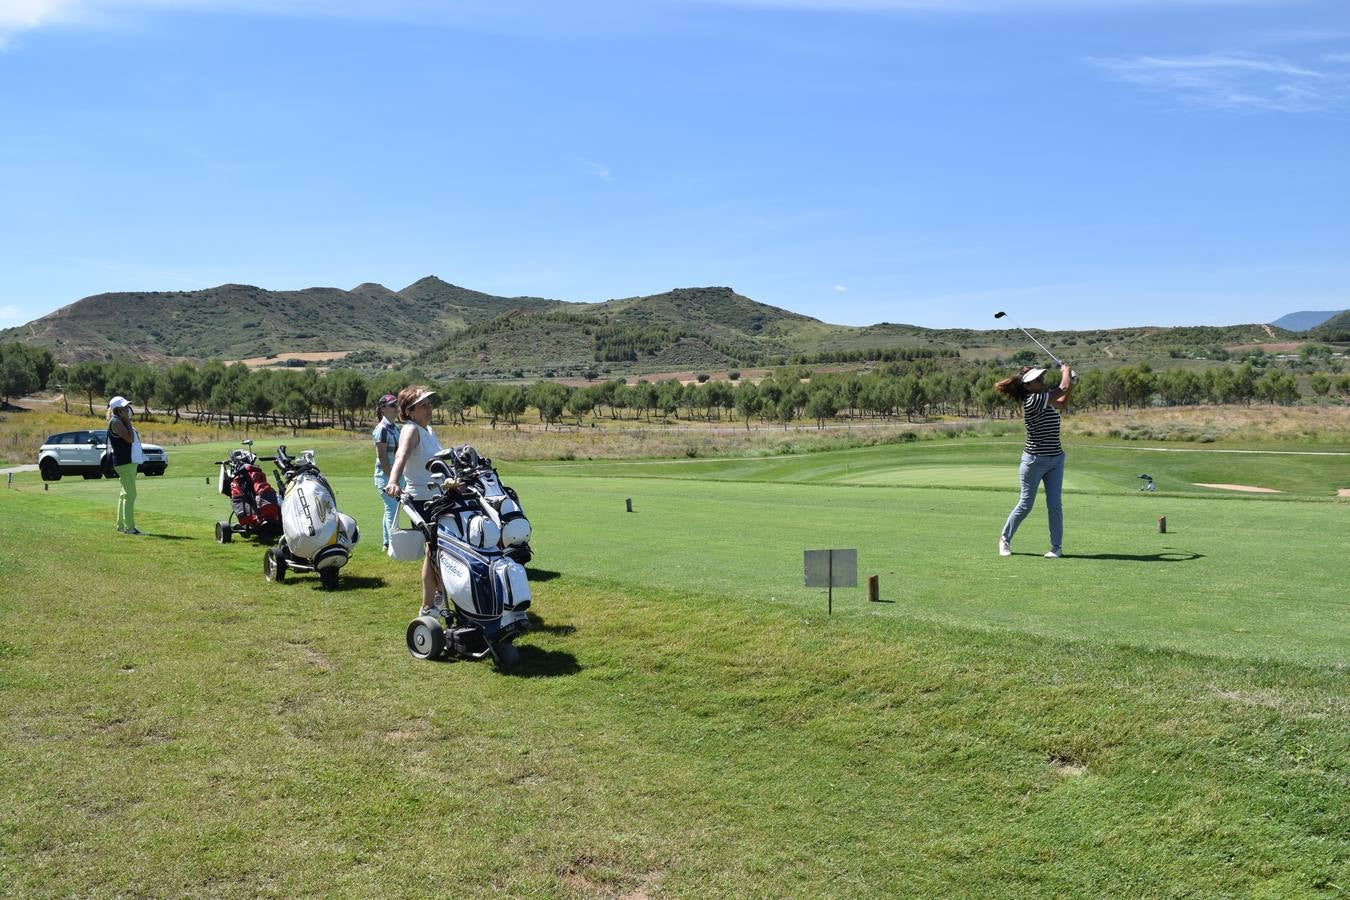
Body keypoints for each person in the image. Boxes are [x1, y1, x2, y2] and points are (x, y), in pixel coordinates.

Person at [995, 363, 1073, 558]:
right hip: (1034, 461)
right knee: (1026, 504)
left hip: (1056, 459)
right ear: (1028, 386)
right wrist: (1066, 373)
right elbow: (1061, 389)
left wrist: (1071, 382)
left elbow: (1062, 402)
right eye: (1037, 380)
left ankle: (1057, 547)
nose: (1042, 381)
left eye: (1041, 378)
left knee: (1055, 505)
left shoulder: (1044, 399)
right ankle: (1004, 538)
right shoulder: (1034, 401)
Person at [383, 385, 445, 617]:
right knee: (433, 551)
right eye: (423, 405)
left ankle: (440, 594)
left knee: (440, 550)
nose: (429, 408)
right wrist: (393, 480)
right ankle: (428, 605)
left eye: (430, 404)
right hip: (422, 500)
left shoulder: (427, 429)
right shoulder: (411, 430)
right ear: (409, 411)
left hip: (437, 496)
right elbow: (401, 456)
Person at [106, 395, 146, 535]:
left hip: (125, 462)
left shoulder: (118, 420)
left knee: (124, 494)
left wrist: (126, 420)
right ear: (118, 410)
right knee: (130, 494)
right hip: (125, 462)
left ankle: (121, 525)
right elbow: (130, 438)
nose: (127, 408)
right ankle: (130, 528)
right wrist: (127, 420)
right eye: (124, 407)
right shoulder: (117, 422)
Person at [371, 393, 405, 551]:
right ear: (383, 409)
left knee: (390, 508)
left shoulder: (394, 428)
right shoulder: (382, 429)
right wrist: (393, 479)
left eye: (396, 405)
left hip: (394, 476)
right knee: (392, 509)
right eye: (393, 405)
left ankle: (386, 543)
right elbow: (382, 458)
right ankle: (393, 545)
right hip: (386, 477)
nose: (396, 408)